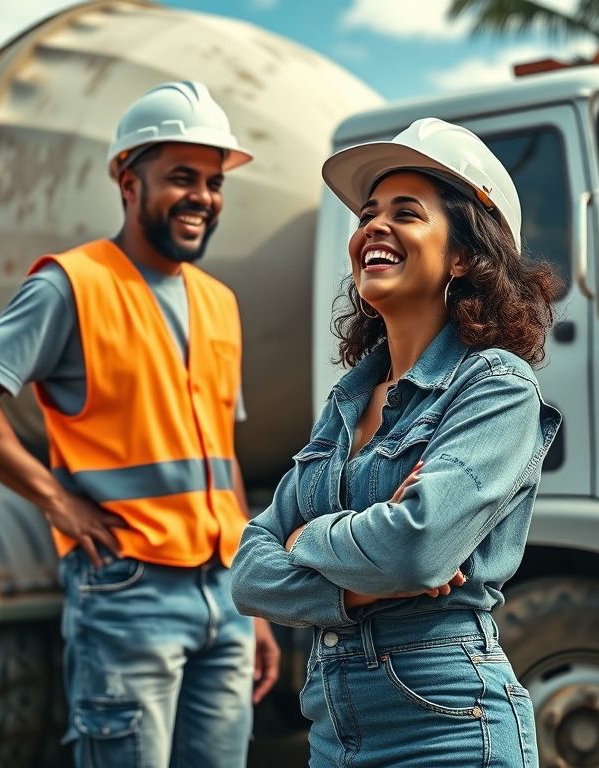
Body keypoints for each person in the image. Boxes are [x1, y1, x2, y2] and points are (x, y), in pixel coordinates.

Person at [0, 80, 279, 768]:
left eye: (213, 182)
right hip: (128, 591)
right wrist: (57, 502)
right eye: (182, 177)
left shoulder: (219, 302)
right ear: (128, 179)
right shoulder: (71, 285)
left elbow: (222, 459)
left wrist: (254, 601)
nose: (203, 197)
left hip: (224, 591)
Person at [231, 117, 562, 767]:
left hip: (447, 724)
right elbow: (247, 573)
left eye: (405, 213)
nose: (373, 227)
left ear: (463, 255)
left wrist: (307, 538)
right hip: (333, 729)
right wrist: (358, 585)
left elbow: (414, 548)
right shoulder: (347, 402)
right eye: (368, 213)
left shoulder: (498, 387)